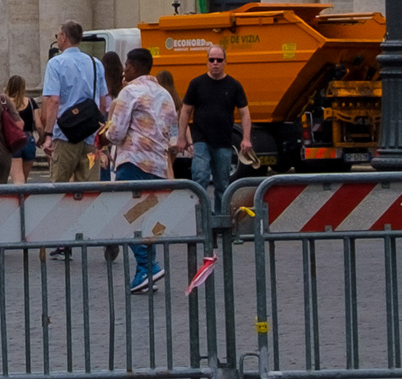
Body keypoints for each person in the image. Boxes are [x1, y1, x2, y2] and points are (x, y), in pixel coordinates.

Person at [101, 55, 182, 298]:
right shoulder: (165, 95)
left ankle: (149, 266)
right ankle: (144, 272)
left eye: (126, 66)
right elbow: (172, 132)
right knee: (147, 220)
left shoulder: (129, 92)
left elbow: (116, 132)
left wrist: (103, 137)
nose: (123, 70)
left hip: (133, 161)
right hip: (157, 165)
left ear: (134, 67)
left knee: (124, 217)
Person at [181, 44, 247, 221]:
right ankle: (200, 218)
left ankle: (220, 219)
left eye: (219, 60)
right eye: (212, 60)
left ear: (225, 62)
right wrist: (181, 138)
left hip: (223, 141)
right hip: (201, 139)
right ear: (207, 61)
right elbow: (185, 111)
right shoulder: (197, 84)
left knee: (222, 184)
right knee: (200, 176)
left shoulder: (234, 85)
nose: (215, 63)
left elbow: (244, 112)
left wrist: (246, 138)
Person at [40, 25, 106, 183]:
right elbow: (103, 103)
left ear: (64, 37)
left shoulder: (56, 63)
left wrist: (48, 135)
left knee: (60, 187)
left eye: (57, 35)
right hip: (90, 135)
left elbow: (54, 100)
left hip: (65, 134)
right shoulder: (95, 63)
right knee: (89, 189)